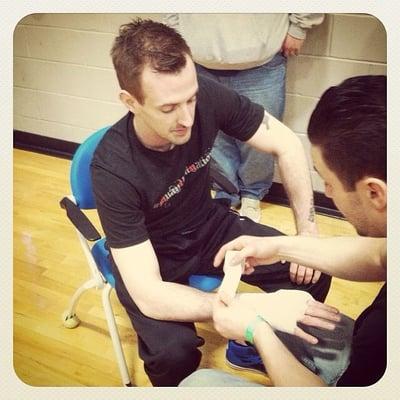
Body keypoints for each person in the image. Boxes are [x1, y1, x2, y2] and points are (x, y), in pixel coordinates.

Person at [90, 18, 332, 387]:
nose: (187, 119)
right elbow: (151, 295)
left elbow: (285, 143)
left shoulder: (204, 94)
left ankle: (250, 349)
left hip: (208, 225)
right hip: (151, 254)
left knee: (314, 270)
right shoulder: (113, 168)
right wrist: (245, 308)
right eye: (169, 108)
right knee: (174, 354)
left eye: (191, 99)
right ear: (131, 102)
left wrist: (307, 232)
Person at [180, 75, 387, 387]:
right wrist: (280, 247)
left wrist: (256, 331)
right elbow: (379, 256)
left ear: (375, 193)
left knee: (196, 385)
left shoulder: (381, 334)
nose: (327, 192)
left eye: (327, 180)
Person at [164, 13, 324, 222]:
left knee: (261, 141)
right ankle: (225, 191)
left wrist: (299, 27)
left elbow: (281, 145)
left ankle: (252, 194)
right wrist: (175, 33)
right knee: (214, 137)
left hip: (261, 60)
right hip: (199, 59)